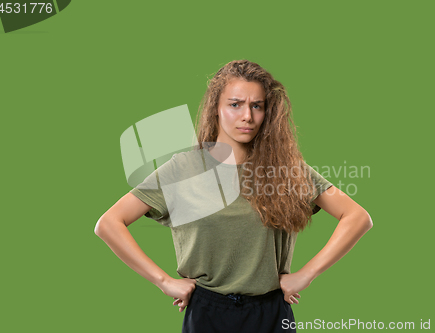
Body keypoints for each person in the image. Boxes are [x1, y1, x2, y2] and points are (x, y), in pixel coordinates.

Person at [95, 59, 373, 333]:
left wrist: (306, 275)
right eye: (235, 104)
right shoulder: (183, 170)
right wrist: (164, 281)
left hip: (271, 313)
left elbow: (357, 217)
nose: (247, 116)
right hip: (207, 312)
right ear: (216, 108)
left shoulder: (287, 169)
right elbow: (109, 223)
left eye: (257, 106)